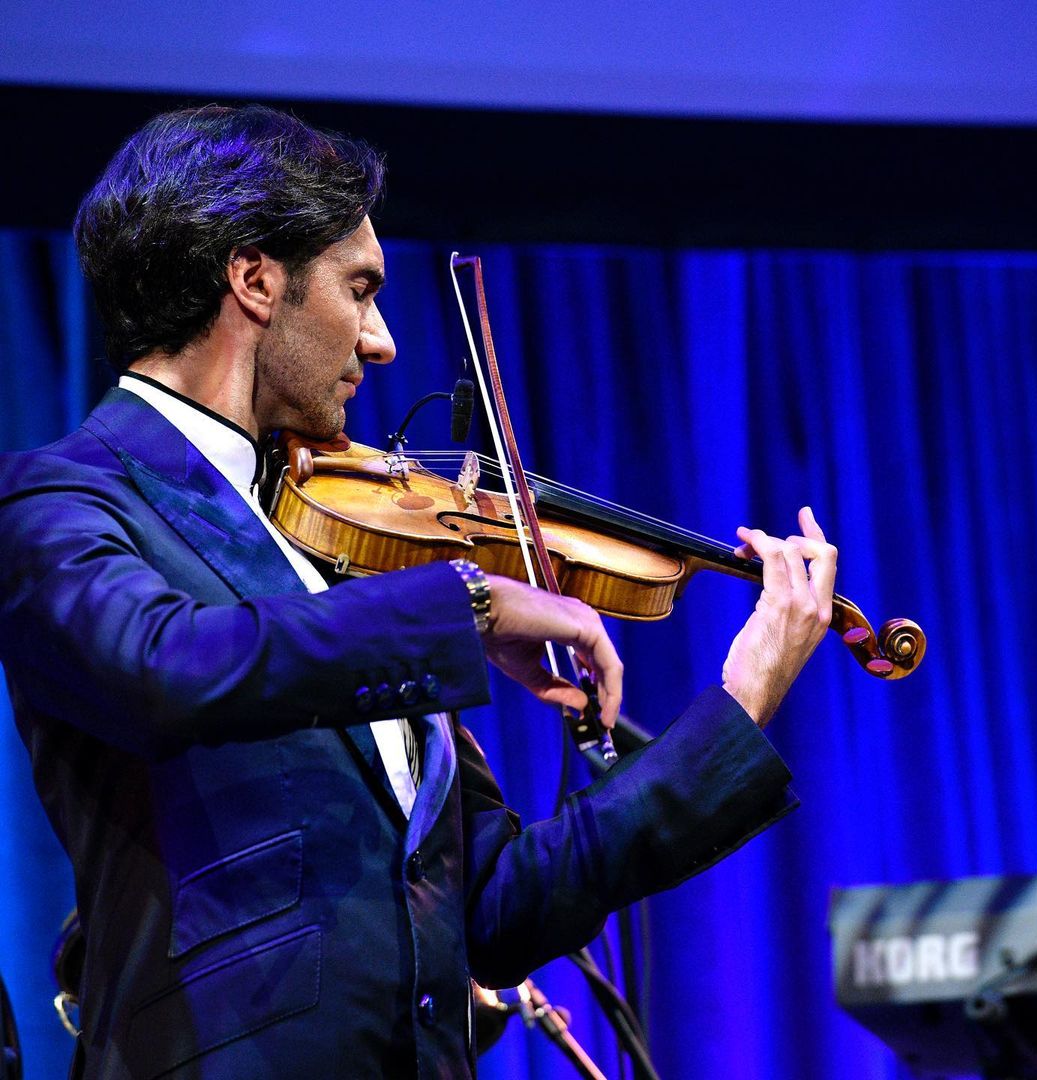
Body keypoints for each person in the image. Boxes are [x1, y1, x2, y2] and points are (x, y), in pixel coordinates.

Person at [0, 105, 837, 1079]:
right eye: (359, 290)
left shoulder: (340, 558)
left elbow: (498, 911)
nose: (383, 340)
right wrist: (468, 603)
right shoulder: (59, 499)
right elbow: (159, 664)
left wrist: (738, 704)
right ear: (254, 279)